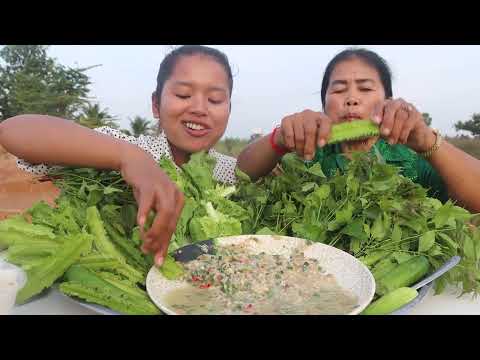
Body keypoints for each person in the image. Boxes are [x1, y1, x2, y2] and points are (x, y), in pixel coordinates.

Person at [0, 45, 237, 266]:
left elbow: (252, 166)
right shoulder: (125, 148)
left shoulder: (224, 170)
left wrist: (275, 143)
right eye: (184, 95)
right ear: (156, 105)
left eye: (214, 99)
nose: (199, 108)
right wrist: (128, 157)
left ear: (229, 110)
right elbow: (13, 131)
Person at [237, 47, 480, 213]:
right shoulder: (306, 156)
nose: (352, 98)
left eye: (365, 89)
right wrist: (280, 138)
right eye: (339, 90)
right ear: (324, 105)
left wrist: (428, 141)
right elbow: (240, 174)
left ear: (388, 100)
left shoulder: (413, 158)